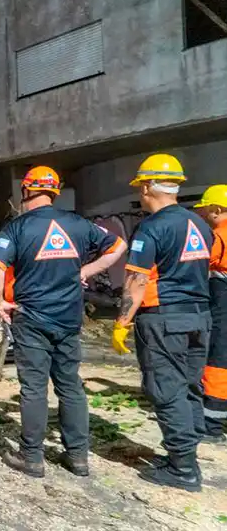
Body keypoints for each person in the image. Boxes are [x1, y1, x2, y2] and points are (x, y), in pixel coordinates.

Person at [0, 166, 126, 479]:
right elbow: (119, 247)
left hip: (32, 317)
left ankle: (32, 456)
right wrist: (87, 271)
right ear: (53, 192)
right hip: (68, 318)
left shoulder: (15, 228)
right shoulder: (78, 224)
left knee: (34, 388)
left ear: (25, 192)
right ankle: (78, 457)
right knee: (70, 386)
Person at [112, 153, 213, 492]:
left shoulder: (152, 228)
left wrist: (122, 322)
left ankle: (183, 469)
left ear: (146, 186)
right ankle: (187, 454)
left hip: (165, 319)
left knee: (167, 390)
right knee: (190, 387)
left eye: (140, 186)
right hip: (200, 316)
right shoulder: (199, 224)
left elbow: (136, 282)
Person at [195, 185, 227, 443]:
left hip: (222, 305)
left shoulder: (219, 237)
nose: (204, 215)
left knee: (218, 359)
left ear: (217, 209)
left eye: (206, 210)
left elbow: (201, 266)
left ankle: (212, 423)